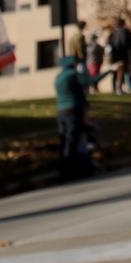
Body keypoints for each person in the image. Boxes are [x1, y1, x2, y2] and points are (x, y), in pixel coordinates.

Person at [53, 49, 96, 178]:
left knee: (64, 139)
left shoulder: (59, 77)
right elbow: (90, 81)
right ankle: (70, 169)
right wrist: (110, 70)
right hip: (73, 110)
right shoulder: (73, 75)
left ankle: (65, 167)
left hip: (61, 111)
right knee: (73, 140)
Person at [108, 17, 131, 94]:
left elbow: (109, 44)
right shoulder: (125, 32)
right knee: (122, 72)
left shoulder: (112, 33)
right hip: (122, 55)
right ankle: (120, 88)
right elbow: (128, 44)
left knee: (116, 72)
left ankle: (115, 88)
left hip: (114, 56)